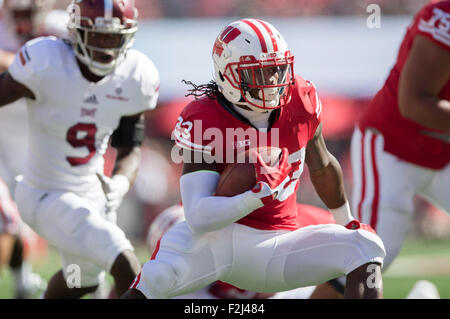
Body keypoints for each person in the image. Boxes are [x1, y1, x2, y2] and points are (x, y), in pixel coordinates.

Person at [122, 19, 385, 300]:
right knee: (155, 280)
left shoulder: (301, 99)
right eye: (260, 73)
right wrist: (254, 197)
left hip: (279, 241)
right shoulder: (203, 118)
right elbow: (197, 217)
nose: (273, 81)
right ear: (228, 75)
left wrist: (345, 220)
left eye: (276, 69)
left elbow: (321, 164)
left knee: (364, 246)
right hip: (216, 241)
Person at [0, 0, 160, 299]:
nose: (105, 47)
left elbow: (130, 146)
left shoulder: (135, 75)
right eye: (97, 36)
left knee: (80, 281)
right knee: (125, 261)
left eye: (113, 37)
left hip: (92, 194)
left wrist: (121, 182)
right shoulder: (46, 61)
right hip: (45, 194)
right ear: (76, 33)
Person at [312, 0, 450, 298]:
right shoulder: (443, 20)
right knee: (369, 255)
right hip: (392, 147)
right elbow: (413, 103)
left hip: (443, 151)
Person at [0, 0, 65, 299]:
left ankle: (86, 279)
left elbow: (45, 69)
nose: (23, 20)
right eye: (18, 11)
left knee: (56, 216)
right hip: (3, 136)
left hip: (44, 139)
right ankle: (22, 281)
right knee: (7, 216)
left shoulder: (60, 29)